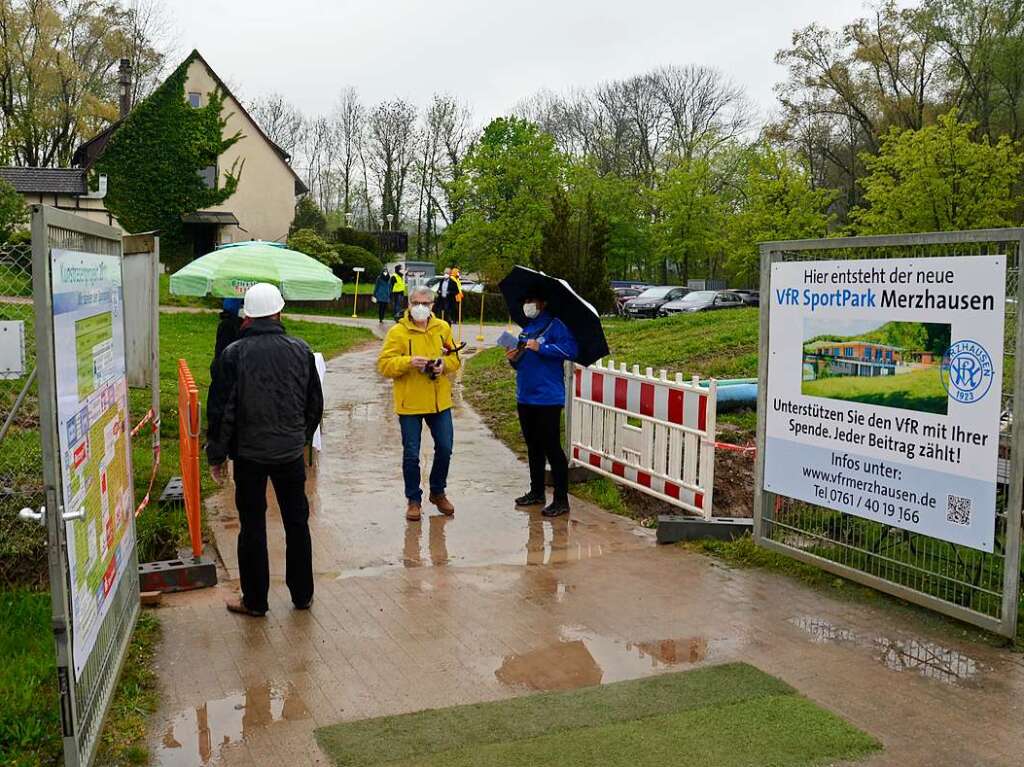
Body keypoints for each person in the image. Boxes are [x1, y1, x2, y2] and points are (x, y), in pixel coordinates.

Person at [206, 283, 324, 617]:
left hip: (249, 456)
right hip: (289, 454)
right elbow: (314, 404)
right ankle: (302, 595)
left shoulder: (233, 354)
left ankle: (255, 600)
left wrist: (217, 455)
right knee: (296, 523)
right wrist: (299, 438)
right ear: (279, 312)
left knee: (253, 525)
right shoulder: (301, 350)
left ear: (247, 316)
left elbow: (221, 411)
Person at [377, 285, 461, 521]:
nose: (421, 308)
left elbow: (455, 358)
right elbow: (384, 365)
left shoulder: (442, 328)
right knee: (411, 454)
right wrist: (408, 362)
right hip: (410, 402)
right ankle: (413, 499)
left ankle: (438, 491)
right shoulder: (398, 332)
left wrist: (443, 365)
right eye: (416, 303)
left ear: (433, 305)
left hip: (438, 401)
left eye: (425, 303)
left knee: (445, 448)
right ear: (408, 304)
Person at [506, 294, 578, 517]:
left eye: (532, 300)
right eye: (525, 300)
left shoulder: (556, 325)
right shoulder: (527, 328)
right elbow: (521, 364)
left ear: (543, 302)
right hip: (525, 395)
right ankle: (536, 491)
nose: (527, 304)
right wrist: (512, 356)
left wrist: (542, 348)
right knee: (533, 446)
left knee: (552, 447)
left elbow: (571, 351)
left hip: (547, 397)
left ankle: (561, 499)